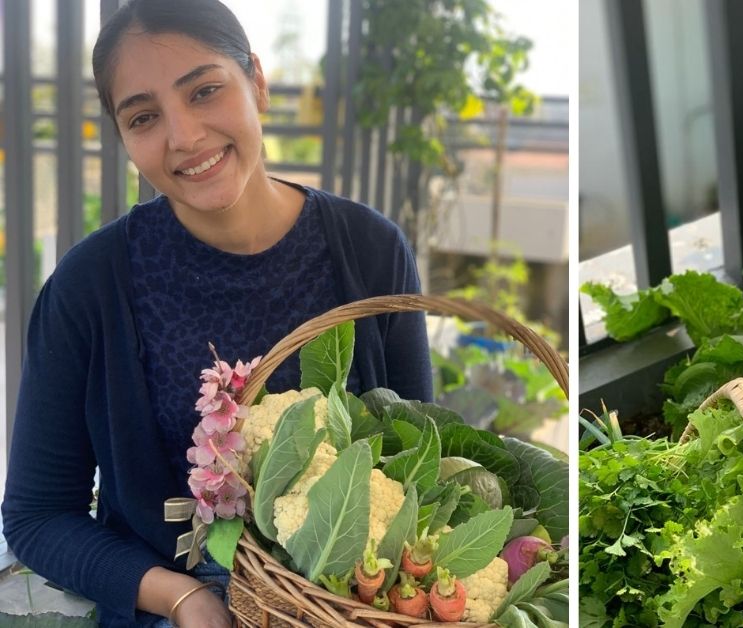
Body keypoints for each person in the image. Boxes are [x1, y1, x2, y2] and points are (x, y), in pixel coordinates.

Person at [1, 1, 433, 625]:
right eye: (144, 116)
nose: (184, 136)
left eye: (204, 90)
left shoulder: (369, 250)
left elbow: (420, 465)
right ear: (123, 135)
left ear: (255, 80)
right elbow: (37, 515)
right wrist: (183, 598)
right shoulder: (90, 285)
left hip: (351, 606)